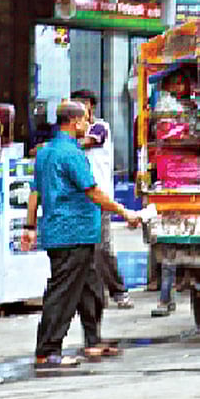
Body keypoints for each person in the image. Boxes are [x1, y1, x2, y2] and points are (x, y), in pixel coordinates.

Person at [25, 101, 142, 370]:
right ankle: (48, 350)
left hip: (67, 233)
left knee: (90, 289)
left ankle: (93, 340)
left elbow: (34, 194)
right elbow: (93, 191)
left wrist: (30, 227)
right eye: (86, 120)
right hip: (72, 233)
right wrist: (125, 212)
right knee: (63, 293)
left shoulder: (44, 153)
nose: (88, 124)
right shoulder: (72, 154)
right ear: (76, 122)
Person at [69, 90, 133, 311]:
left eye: (82, 105)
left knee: (102, 247)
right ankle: (95, 295)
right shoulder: (71, 133)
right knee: (85, 249)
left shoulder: (100, 127)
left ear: (91, 107)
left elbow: (84, 143)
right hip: (80, 197)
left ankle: (119, 291)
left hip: (100, 197)